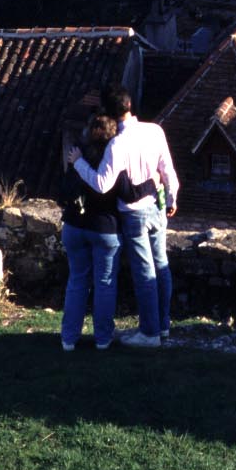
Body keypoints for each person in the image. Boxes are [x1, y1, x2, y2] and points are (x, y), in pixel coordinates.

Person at [66, 85, 178, 349]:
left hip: (133, 213)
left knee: (145, 273)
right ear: (130, 105)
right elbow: (168, 169)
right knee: (161, 266)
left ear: (110, 112)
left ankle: (149, 333)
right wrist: (172, 197)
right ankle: (163, 326)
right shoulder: (155, 131)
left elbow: (102, 184)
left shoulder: (117, 144)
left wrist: (79, 162)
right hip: (157, 207)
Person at [59, 113, 122, 352]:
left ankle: (69, 338)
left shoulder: (77, 154)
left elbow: (63, 191)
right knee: (104, 283)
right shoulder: (114, 158)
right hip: (104, 227)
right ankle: (103, 338)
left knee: (77, 281)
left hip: (75, 225)